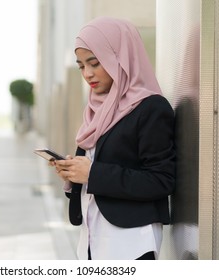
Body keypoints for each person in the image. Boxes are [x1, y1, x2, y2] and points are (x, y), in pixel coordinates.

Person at [50, 17, 176, 260]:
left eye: (94, 63)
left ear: (120, 56)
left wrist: (93, 173)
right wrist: (73, 173)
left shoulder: (151, 108)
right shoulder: (96, 108)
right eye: (81, 66)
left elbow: (162, 180)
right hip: (90, 239)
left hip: (131, 242)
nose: (87, 74)